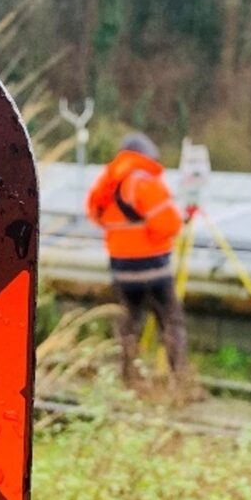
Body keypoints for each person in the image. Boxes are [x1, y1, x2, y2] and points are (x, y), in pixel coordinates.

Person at [86, 133, 189, 385]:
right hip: (153, 267)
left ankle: (128, 376)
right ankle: (180, 378)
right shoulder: (143, 181)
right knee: (170, 320)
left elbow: (95, 215)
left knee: (130, 321)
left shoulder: (107, 183)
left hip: (121, 268)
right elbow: (169, 224)